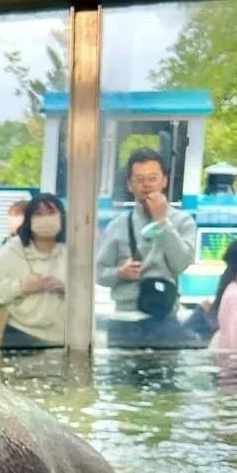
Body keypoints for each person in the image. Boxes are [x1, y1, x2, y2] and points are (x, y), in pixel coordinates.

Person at [96, 147, 200, 348]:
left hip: (165, 321)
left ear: (164, 181)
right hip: (124, 322)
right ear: (130, 185)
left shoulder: (183, 221)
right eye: (139, 179)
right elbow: (98, 273)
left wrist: (163, 222)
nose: (146, 185)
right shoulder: (117, 225)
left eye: (152, 178)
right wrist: (120, 273)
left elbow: (181, 264)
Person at [0, 193, 67, 351]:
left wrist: (64, 288)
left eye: (51, 213)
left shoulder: (72, 252)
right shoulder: (12, 250)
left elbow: (88, 295)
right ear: (29, 219)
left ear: (62, 217)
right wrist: (22, 286)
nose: (45, 219)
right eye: (38, 214)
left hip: (61, 341)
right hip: (19, 336)